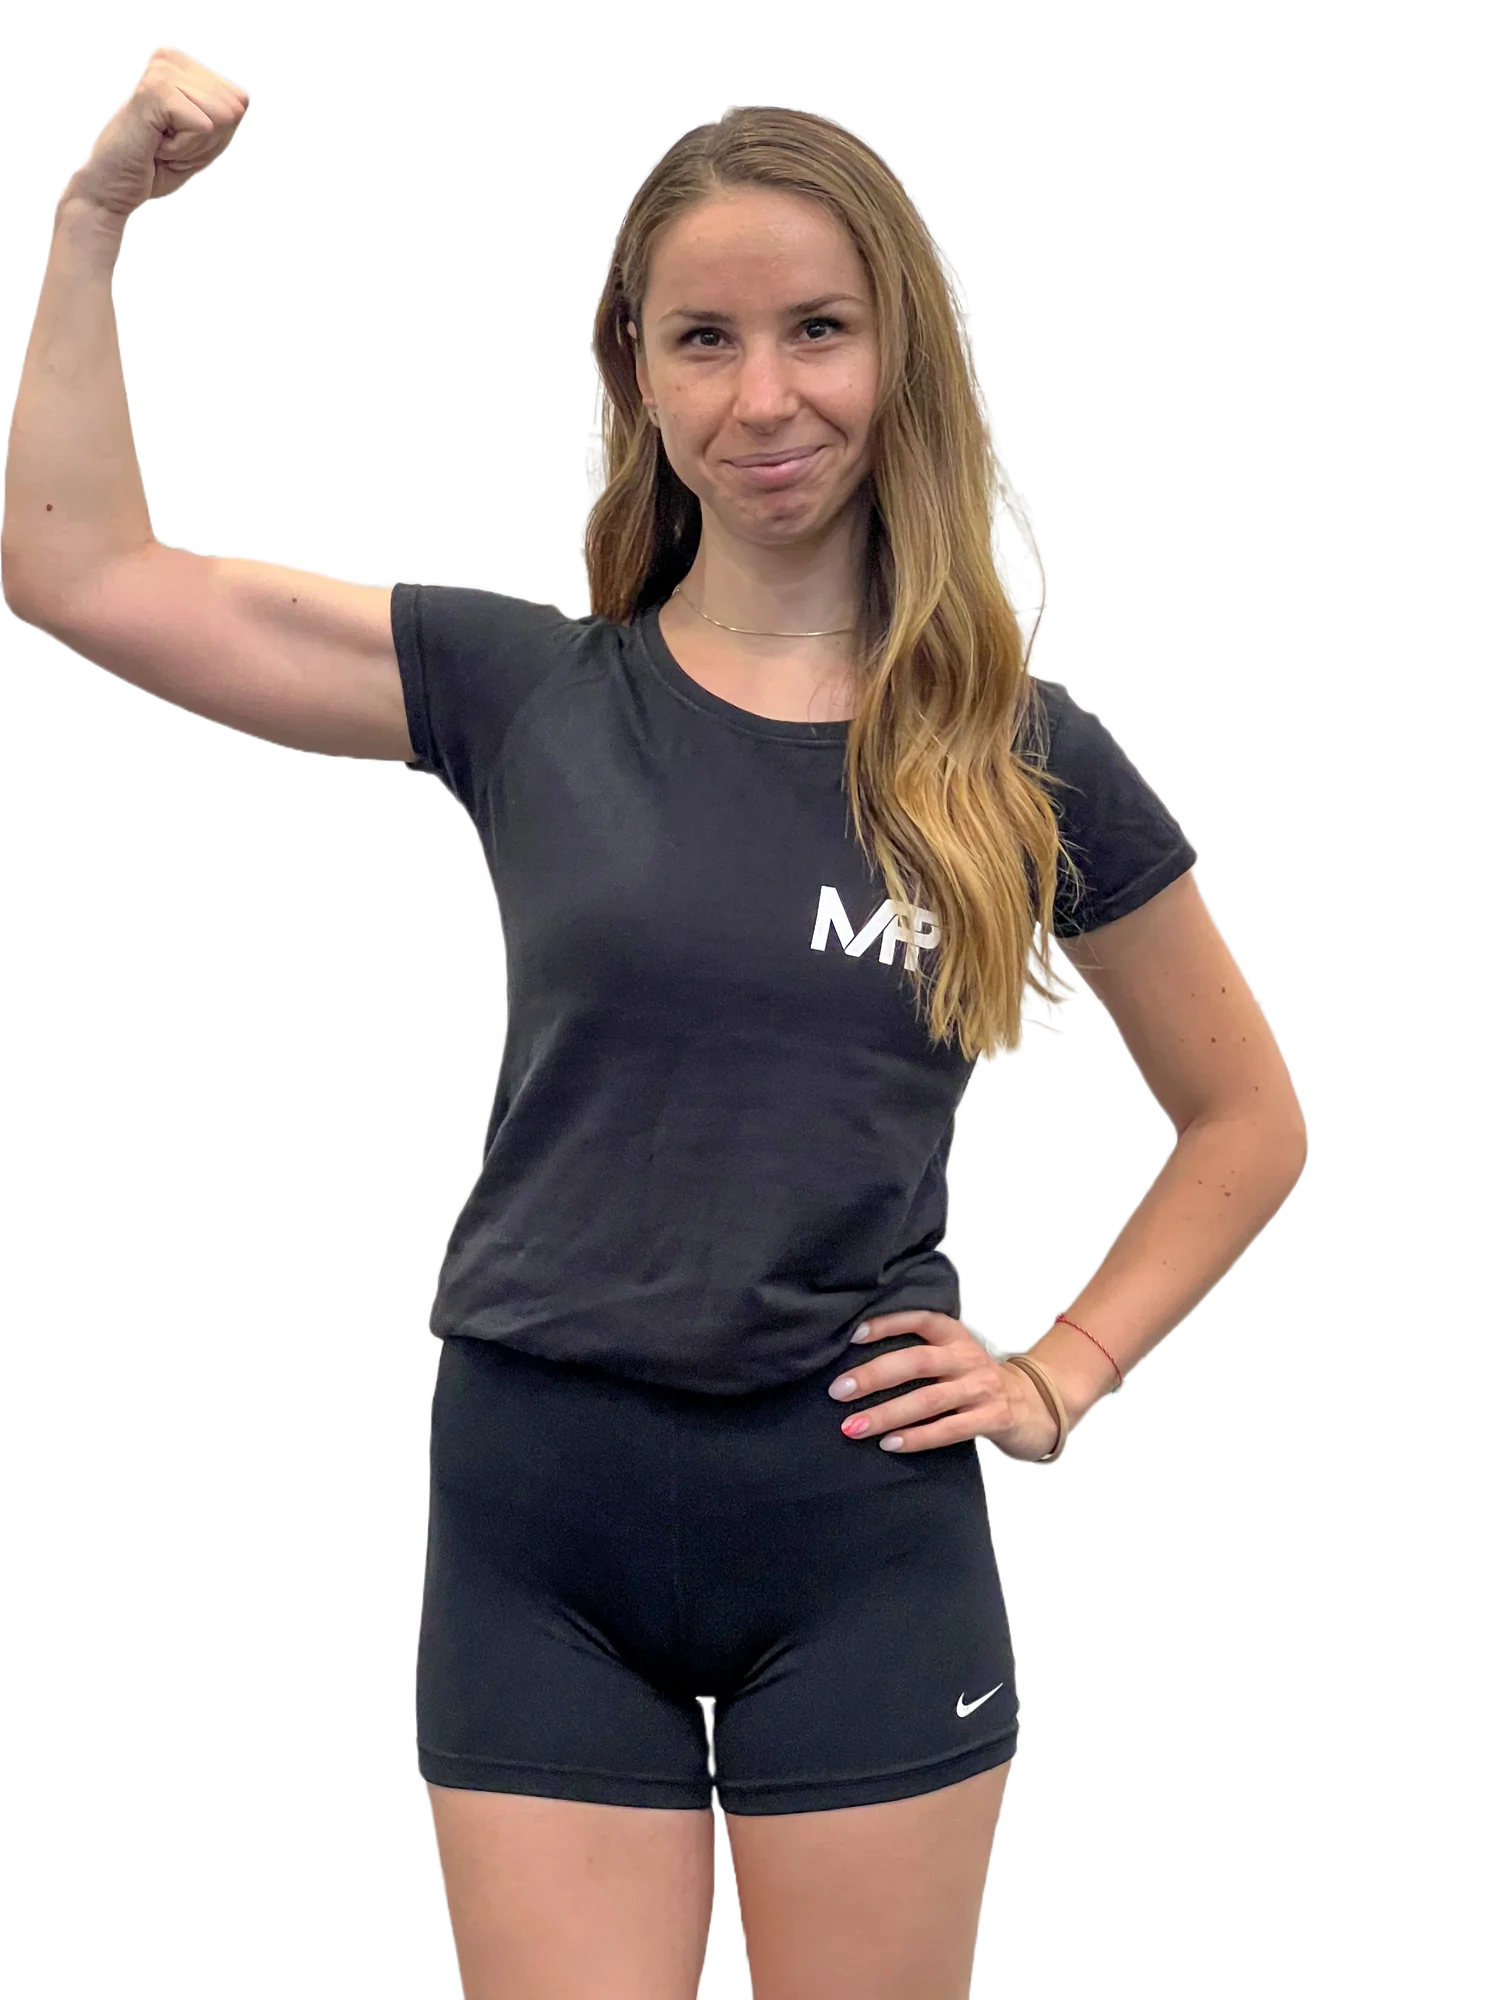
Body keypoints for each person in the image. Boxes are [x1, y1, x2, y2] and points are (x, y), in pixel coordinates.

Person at [15, 72, 1301, 2000]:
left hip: (857, 1525)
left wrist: (1062, 1375)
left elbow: (1246, 1117)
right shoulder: (525, 687)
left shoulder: (1020, 751)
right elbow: (80, 576)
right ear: (633, 370)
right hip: (541, 1514)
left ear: (903, 353)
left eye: (818, 330)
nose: (764, 396)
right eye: (704, 338)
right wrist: (94, 217)